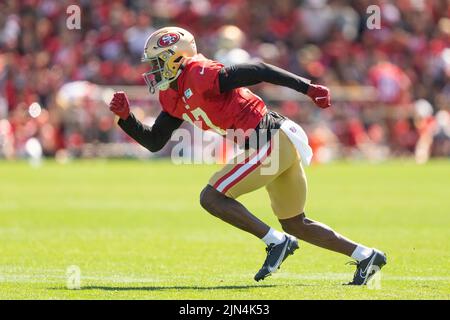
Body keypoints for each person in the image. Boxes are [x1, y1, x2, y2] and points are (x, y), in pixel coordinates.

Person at [109, 27, 387, 284]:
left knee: (212, 197)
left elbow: (259, 69)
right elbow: (155, 141)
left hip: (269, 137)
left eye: (158, 62)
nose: (153, 70)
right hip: (274, 142)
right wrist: (127, 119)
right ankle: (366, 256)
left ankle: (277, 242)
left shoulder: (199, 72)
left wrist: (308, 88)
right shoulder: (171, 95)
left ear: (176, 59)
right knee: (295, 222)